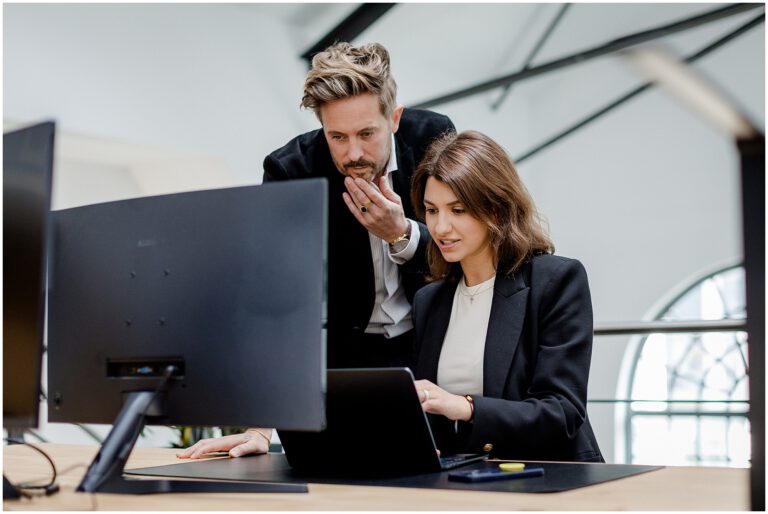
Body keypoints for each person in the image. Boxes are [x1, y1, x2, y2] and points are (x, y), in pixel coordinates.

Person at [177, 42, 454, 459]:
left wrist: (403, 235)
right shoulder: (290, 170)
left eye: (366, 133)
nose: (353, 153)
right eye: (336, 137)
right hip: (344, 359)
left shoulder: (435, 141)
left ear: (394, 119)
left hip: (434, 347)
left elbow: (471, 248)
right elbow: (275, 299)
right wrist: (260, 423)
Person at [409, 130, 603, 462]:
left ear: (496, 210)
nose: (440, 228)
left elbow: (562, 412)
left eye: (458, 210)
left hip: (549, 475)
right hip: (463, 479)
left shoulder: (556, 281)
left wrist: (466, 407)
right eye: (431, 210)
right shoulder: (429, 301)